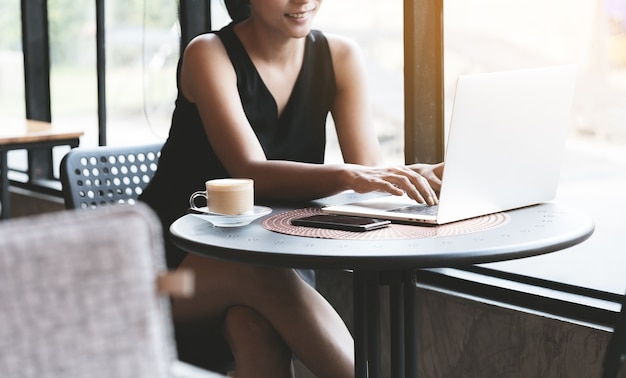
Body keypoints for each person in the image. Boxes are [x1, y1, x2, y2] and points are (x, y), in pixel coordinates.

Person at [140, 0, 444, 376]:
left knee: (253, 329)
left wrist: (416, 174)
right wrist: (348, 175)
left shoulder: (341, 57)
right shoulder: (208, 54)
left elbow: (371, 179)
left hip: (276, 267)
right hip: (163, 280)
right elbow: (252, 171)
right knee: (255, 271)